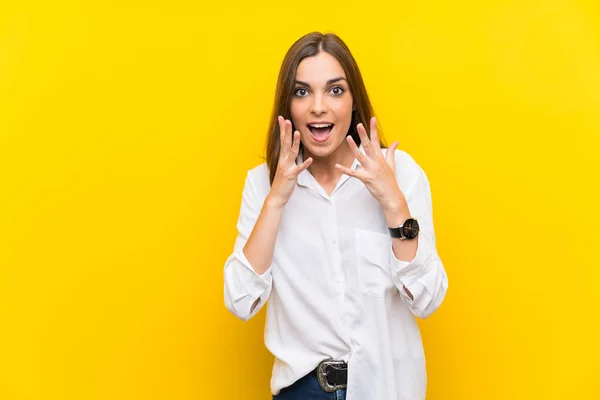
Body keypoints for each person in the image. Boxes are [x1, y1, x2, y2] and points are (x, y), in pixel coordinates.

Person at [223, 31, 448, 400]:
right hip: (303, 390)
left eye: (335, 90)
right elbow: (240, 300)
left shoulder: (402, 174)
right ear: (288, 106)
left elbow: (427, 300)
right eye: (302, 92)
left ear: (353, 101)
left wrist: (394, 204)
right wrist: (276, 200)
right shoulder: (262, 185)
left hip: (387, 388)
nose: (318, 107)